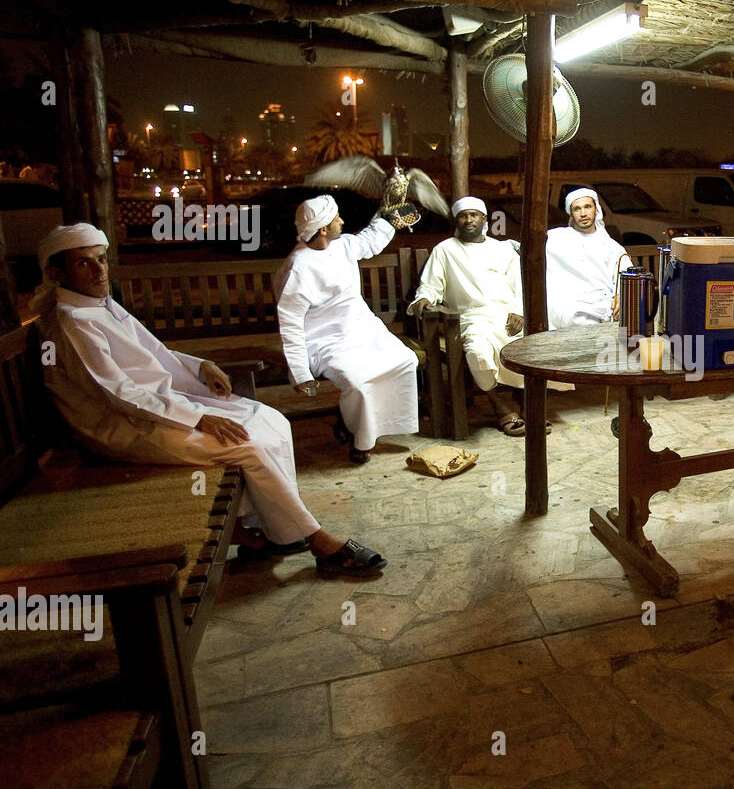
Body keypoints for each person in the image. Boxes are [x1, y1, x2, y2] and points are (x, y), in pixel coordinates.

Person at [34, 224, 386, 577]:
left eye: (101, 259)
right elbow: (117, 393)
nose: (98, 271)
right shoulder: (73, 321)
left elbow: (154, 351)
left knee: (272, 419)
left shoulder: (99, 305)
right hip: (123, 426)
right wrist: (197, 418)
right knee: (245, 445)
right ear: (57, 273)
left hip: (158, 406)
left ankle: (277, 531)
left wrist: (200, 365)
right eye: (83, 264)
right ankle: (318, 541)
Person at [274, 195, 419, 464]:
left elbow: (370, 241)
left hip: (363, 330)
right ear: (322, 229)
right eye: (336, 218)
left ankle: (359, 424)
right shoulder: (299, 267)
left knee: (406, 360)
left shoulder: (343, 245)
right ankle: (358, 436)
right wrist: (299, 371)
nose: (342, 221)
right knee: (357, 380)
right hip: (325, 341)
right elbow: (290, 322)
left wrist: (389, 220)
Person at [409, 196, 538, 437]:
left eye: (474, 215)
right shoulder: (445, 250)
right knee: (478, 352)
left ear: (484, 219)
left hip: (506, 315)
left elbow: (521, 286)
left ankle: (528, 407)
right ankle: (499, 406)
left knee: (529, 348)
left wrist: (519, 310)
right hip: (470, 318)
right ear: (457, 220)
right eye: (463, 215)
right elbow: (430, 285)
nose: (469, 220)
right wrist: (425, 298)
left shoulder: (502, 249)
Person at [545, 188, 628, 330]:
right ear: (571, 213)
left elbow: (626, 271)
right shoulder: (556, 238)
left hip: (602, 307)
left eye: (587, 207)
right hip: (569, 306)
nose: (583, 213)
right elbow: (525, 248)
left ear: (596, 210)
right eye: (577, 209)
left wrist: (621, 294)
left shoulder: (612, 247)